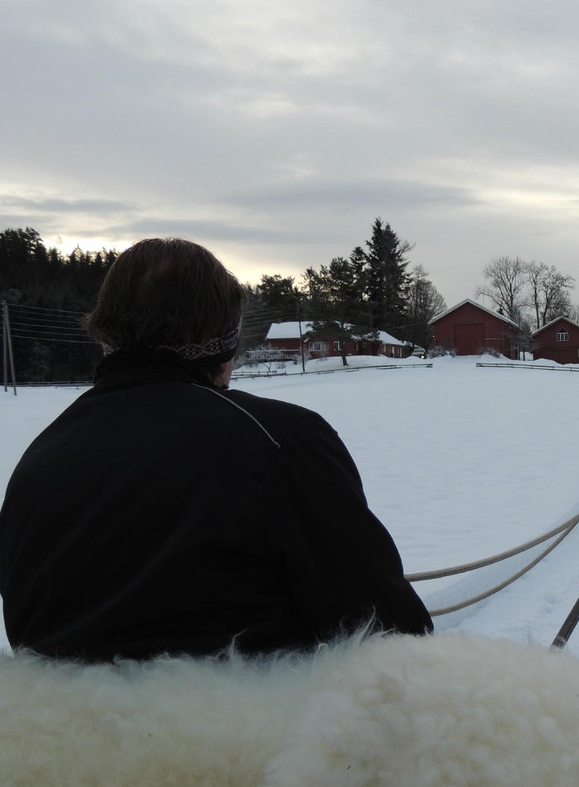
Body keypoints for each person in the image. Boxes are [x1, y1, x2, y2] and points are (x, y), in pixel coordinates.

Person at [0, 238, 432, 660]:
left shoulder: (39, 459)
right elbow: (388, 634)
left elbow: (29, 636)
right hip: (257, 728)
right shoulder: (281, 439)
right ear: (224, 345)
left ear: (105, 331)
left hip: (56, 729)